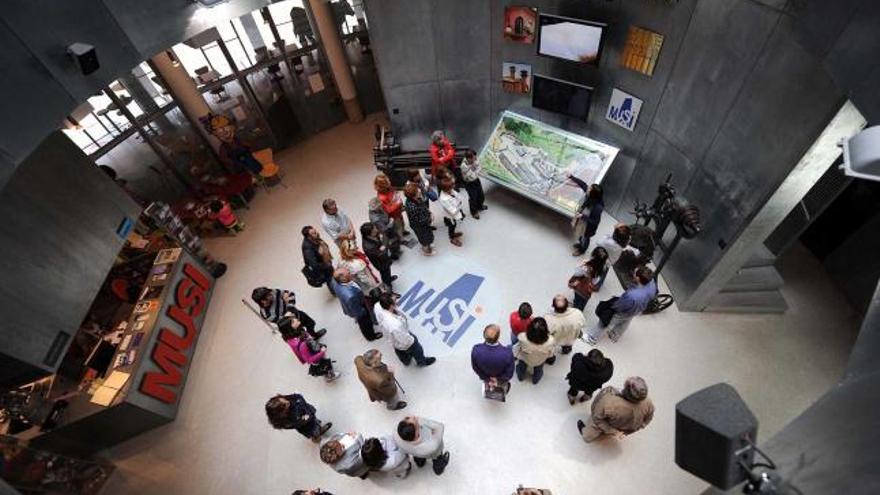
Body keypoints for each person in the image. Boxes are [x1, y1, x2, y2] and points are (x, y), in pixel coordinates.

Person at [586, 266, 657, 345]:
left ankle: (592, 338)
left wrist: (612, 306)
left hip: (625, 310)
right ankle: (614, 335)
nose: (633, 273)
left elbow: (619, 306)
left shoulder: (632, 295)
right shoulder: (652, 283)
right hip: (637, 309)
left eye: (635, 273)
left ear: (638, 278)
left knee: (607, 323)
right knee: (626, 321)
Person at [577, 376, 654, 443]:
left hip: (609, 423)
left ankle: (586, 436)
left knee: (594, 428)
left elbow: (597, 417)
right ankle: (608, 432)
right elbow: (648, 419)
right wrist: (633, 429)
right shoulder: (648, 402)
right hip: (625, 428)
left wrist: (613, 431)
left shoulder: (610, 402)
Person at [374, 292, 436, 367]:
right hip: (404, 340)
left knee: (399, 351)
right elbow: (404, 341)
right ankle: (421, 362)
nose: (396, 300)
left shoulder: (377, 306)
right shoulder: (395, 325)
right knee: (417, 350)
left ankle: (406, 361)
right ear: (391, 306)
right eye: (394, 300)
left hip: (393, 339)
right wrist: (412, 340)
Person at [279, 316, 340, 382]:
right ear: (290, 328)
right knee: (324, 365)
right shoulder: (301, 344)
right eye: (293, 322)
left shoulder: (294, 334)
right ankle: (329, 376)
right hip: (315, 355)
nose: (296, 319)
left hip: (313, 347)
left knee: (324, 363)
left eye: (294, 319)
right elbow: (309, 359)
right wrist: (322, 352)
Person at [251, 287, 326, 340]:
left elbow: (291, 294)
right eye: (268, 295)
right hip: (291, 327)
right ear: (263, 301)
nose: (272, 294)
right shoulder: (267, 315)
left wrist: (289, 309)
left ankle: (314, 335)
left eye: (269, 293)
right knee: (304, 338)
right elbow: (285, 321)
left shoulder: (272, 292)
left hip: (297, 314)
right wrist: (288, 304)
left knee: (311, 323)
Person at [329, 268, 382, 341]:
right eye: (348, 274)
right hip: (359, 308)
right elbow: (358, 311)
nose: (351, 274)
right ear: (343, 279)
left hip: (354, 302)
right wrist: (364, 311)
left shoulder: (334, 280)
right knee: (364, 323)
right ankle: (370, 336)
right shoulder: (350, 296)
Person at [264, 393, 332, 443]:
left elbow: (297, 396)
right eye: (285, 405)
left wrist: (300, 402)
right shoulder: (292, 420)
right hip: (307, 426)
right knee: (314, 430)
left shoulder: (285, 400)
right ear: (282, 413)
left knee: (315, 421)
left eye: (284, 399)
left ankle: (317, 428)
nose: (287, 401)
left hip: (306, 413)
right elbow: (307, 417)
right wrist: (300, 403)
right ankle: (316, 436)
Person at [471, 324, 515, 393]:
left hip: (486, 375)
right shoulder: (507, 353)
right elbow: (509, 372)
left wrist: (487, 378)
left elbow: (475, 368)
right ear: (498, 337)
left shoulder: (476, 350)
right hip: (500, 377)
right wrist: (497, 379)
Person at [568, 176, 604, 256]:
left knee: (585, 238)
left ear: (593, 194)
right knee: (581, 236)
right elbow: (583, 184)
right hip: (582, 223)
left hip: (588, 228)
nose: (587, 189)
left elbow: (595, 222)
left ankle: (582, 249)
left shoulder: (597, 208)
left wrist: (582, 216)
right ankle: (580, 244)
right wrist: (571, 176)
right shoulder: (591, 196)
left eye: (589, 189)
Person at [514, 318, 556, 385]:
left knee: (521, 368)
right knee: (538, 370)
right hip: (539, 361)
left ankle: (520, 377)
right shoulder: (550, 340)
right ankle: (535, 380)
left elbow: (517, 348)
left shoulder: (522, 337)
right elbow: (551, 354)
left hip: (525, 359)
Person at [301, 225, 335, 296]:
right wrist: (327, 265)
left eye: (315, 231)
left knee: (332, 276)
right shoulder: (307, 248)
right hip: (323, 267)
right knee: (329, 279)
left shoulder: (315, 238)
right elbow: (314, 265)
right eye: (314, 233)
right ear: (309, 237)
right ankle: (334, 292)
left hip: (326, 262)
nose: (317, 233)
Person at [404, 182, 435, 256]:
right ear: (413, 195)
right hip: (419, 226)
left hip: (424, 222)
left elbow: (423, 206)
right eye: (417, 191)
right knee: (424, 238)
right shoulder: (412, 207)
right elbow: (420, 220)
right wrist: (430, 219)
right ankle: (426, 250)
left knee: (428, 235)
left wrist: (428, 211)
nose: (420, 191)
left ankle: (428, 244)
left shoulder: (417, 198)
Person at [360, 222, 396, 287]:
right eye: (374, 230)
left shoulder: (372, 235)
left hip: (384, 260)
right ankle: (388, 287)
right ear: (369, 234)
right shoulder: (368, 246)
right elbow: (381, 254)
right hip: (381, 263)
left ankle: (389, 279)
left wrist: (383, 245)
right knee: (385, 273)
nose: (376, 230)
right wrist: (384, 245)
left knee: (387, 272)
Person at [374, 173, 409, 239]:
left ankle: (403, 231)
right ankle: (400, 239)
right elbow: (388, 210)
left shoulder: (389, 188)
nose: (390, 182)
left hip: (398, 211)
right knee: (398, 227)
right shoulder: (382, 197)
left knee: (402, 222)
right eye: (387, 182)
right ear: (383, 185)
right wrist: (397, 204)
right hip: (394, 215)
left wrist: (399, 203)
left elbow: (394, 194)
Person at [438, 174, 465, 247]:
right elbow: (453, 211)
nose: (453, 187)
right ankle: (452, 238)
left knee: (454, 224)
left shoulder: (450, 191)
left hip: (455, 213)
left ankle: (453, 234)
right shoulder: (443, 199)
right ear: (446, 189)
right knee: (452, 226)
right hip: (450, 216)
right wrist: (459, 205)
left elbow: (458, 195)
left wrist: (459, 200)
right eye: (451, 187)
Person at [460, 150, 487, 218]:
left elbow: (479, 165)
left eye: (475, 158)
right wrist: (478, 170)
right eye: (473, 158)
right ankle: (474, 212)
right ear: (469, 158)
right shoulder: (464, 166)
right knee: (473, 198)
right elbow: (472, 177)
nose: (475, 159)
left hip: (476, 181)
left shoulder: (474, 159)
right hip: (470, 183)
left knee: (481, 195)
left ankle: (480, 206)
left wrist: (477, 169)